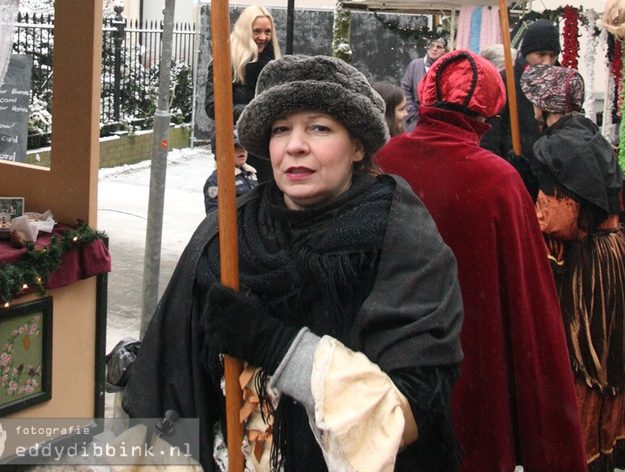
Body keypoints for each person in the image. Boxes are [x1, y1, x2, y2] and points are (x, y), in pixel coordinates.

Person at [125, 54, 464, 472]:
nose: (294, 144)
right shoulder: (226, 235)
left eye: (319, 128)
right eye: (281, 129)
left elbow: (405, 414)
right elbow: (169, 393)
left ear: (358, 146)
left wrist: (275, 345)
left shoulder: (401, 239)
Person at [376, 49, 588, 472]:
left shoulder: (383, 162)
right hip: (472, 363)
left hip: (389, 361)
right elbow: (532, 310)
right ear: (487, 112)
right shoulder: (497, 179)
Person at [528, 99, 625, 472]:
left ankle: (578, 455)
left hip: (588, 268)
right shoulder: (591, 136)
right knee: (612, 354)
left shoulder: (558, 149)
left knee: (584, 360)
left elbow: (556, 219)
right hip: (617, 255)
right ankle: (602, 448)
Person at [204, 4, 280, 182]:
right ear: (245, 31)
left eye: (267, 32)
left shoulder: (274, 64)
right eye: (257, 31)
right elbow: (213, 106)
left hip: (268, 143)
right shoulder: (225, 61)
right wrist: (253, 112)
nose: (263, 37)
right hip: (238, 146)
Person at [481, 17, 560, 168]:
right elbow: (489, 137)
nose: (548, 62)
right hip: (511, 171)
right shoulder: (505, 82)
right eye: (541, 54)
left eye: (553, 55)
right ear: (527, 53)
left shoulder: (560, 87)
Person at [203, 108, 258, 215]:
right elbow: (213, 215)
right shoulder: (215, 180)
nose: (241, 150)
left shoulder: (251, 173)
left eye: (243, 146)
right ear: (219, 152)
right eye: (235, 147)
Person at [400, 36, 448, 132]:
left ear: (445, 51)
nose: (434, 49)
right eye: (432, 46)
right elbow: (405, 90)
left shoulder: (448, 68)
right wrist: (413, 114)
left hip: (439, 124)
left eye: (439, 47)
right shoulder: (415, 65)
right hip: (415, 121)